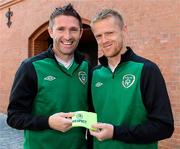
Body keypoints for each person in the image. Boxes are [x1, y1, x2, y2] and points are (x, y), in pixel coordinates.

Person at [7, 4, 90, 149]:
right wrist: (48, 122)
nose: (68, 36)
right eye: (61, 29)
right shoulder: (31, 67)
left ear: (81, 33)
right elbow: (14, 117)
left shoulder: (87, 67)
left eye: (73, 30)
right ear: (51, 31)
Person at [89, 9, 174, 149]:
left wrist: (115, 132)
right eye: (98, 36)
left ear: (124, 30)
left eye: (109, 33)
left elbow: (164, 127)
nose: (104, 40)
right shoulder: (95, 74)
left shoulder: (147, 70)